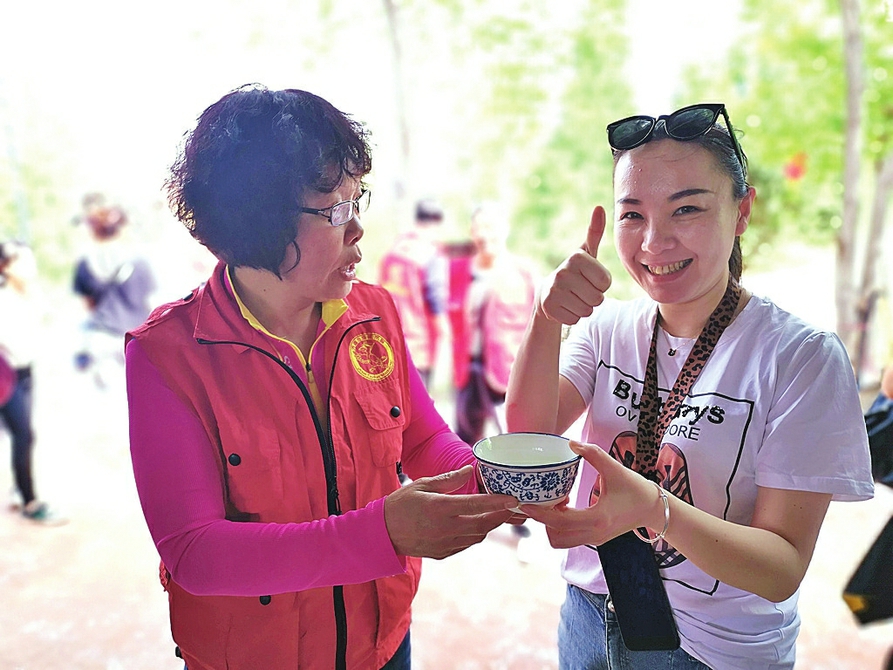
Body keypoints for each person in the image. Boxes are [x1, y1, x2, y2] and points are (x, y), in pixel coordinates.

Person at [125, 84, 518, 670]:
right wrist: (383, 535)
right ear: (258, 221)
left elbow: (422, 437)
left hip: (382, 643)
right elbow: (196, 552)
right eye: (335, 210)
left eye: (358, 201)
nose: (357, 229)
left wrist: (495, 481)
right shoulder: (168, 355)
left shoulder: (373, 313)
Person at [505, 103, 874, 669]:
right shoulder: (607, 330)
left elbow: (781, 568)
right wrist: (545, 317)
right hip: (588, 616)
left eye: (687, 209)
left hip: (711, 651)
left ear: (742, 210)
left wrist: (655, 508)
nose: (654, 242)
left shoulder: (799, 358)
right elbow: (528, 435)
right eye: (633, 215)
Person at [452, 202, 537, 446]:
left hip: (507, 370)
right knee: (464, 442)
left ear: (505, 229)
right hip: (467, 370)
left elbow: (541, 325)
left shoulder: (523, 273)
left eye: (490, 227)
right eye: (478, 228)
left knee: (514, 440)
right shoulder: (459, 271)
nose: (484, 235)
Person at [0, 240, 65, 525]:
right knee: (23, 434)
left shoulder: (31, 294)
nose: (31, 267)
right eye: (23, 261)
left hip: (25, 374)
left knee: (23, 435)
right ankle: (30, 502)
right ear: (6, 267)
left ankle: (20, 488)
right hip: (6, 376)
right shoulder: (3, 299)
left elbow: (45, 325)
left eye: (31, 259)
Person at [73, 194, 156, 388]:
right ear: (122, 227)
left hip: (101, 340)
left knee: (109, 401)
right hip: (135, 341)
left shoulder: (85, 263)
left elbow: (89, 306)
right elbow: (152, 305)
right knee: (137, 398)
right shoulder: (140, 262)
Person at [378, 198, 449, 390]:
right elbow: (435, 298)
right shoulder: (430, 253)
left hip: (389, 342)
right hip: (419, 346)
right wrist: (447, 336)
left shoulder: (392, 252)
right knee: (418, 401)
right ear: (437, 222)